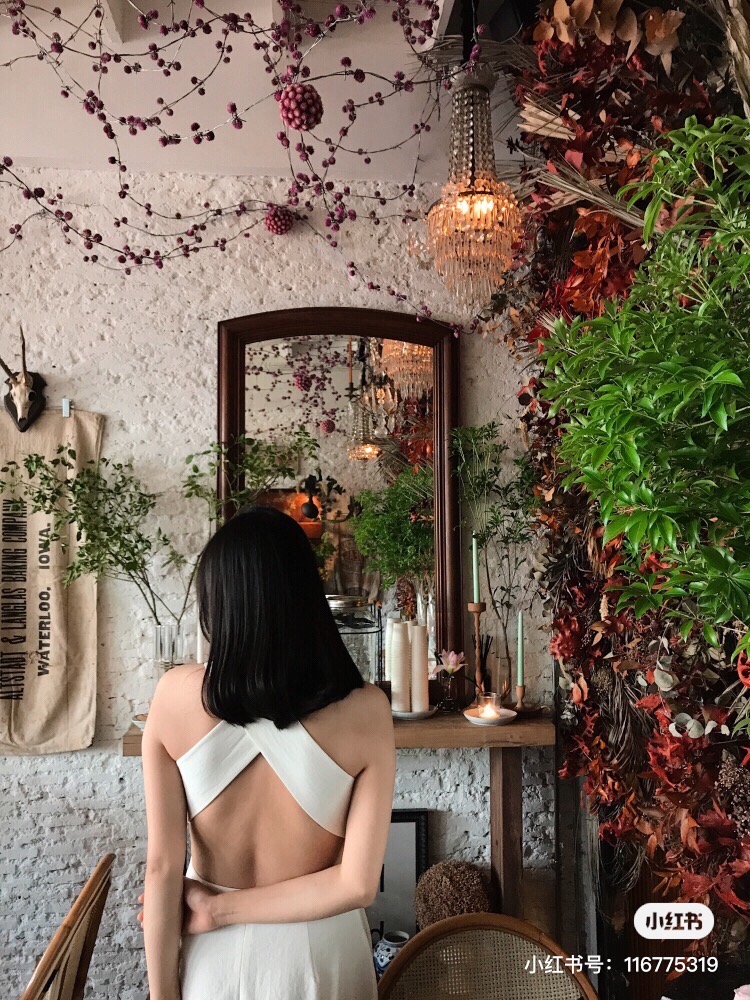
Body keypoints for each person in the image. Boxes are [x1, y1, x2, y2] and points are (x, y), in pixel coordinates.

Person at [139, 505, 396, 1000]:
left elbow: (162, 869)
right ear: (306, 598)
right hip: (323, 957)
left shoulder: (173, 697)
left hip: (208, 955)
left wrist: (163, 993)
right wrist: (221, 910)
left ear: (220, 605)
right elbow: (356, 885)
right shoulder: (366, 711)